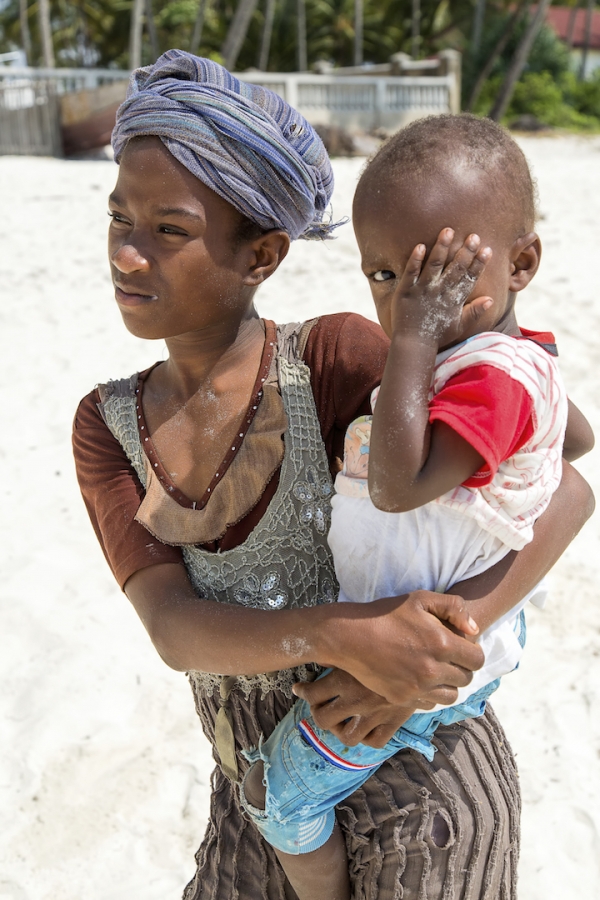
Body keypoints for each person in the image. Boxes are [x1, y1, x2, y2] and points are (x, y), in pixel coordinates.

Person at [71, 53, 594, 900]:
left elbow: (565, 483)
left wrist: (428, 658)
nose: (129, 256)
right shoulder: (110, 425)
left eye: (168, 231)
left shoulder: (333, 359)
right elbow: (173, 630)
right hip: (262, 799)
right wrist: (342, 636)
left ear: (263, 255)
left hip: (422, 780)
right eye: (117, 219)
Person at [239, 115, 595, 900]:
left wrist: (413, 344)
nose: (411, 303)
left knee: (277, 799)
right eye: (387, 278)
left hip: (429, 654)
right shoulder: (504, 362)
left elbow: (400, 489)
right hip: (421, 631)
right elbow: (578, 435)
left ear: (523, 261)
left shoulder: (484, 376)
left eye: (442, 275)